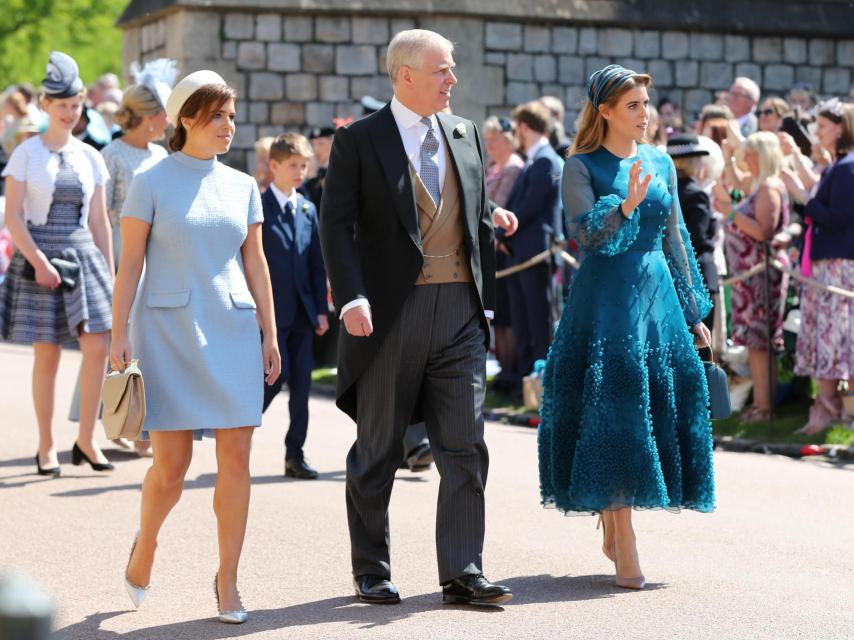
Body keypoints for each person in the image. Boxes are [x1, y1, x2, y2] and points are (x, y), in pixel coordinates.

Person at [320, 28, 511, 606]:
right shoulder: (360, 141)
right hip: (387, 314)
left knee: (464, 445)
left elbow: (473, 212)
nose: (453, 79)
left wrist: (489, 292)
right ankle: (372, 569)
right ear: (405, 75)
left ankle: (462, 569)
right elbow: (336, 224)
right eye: (442, 70)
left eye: (451, 70)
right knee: (378, 448)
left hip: (460, 310)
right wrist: (350, 298)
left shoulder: (466, 132)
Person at [538, 65, 715, 590]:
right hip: (604, 302)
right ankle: (625, 536)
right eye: (633, 105)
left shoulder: (660, 159)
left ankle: (616, 520)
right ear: (606, 111)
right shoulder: (580, 165)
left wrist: (692, 312)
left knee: (650, 412)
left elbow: (676, 239)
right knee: (613, 413)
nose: (645, 114)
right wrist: (627, 204)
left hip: (657, 301)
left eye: (646, 104)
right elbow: (586, 238)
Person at [114, 70, 280, 624]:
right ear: (186, 118)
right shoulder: (151, 180)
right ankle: (146, 544)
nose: (229, 126)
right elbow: (130, 265)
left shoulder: (242, 186)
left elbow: (255, 263)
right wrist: (119, 335)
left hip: (232, 328)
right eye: (218, 116)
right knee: (172, 467)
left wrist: (270, 333)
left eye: (232, 116)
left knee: (236, 459)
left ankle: (228, 580)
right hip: (166, 334)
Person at [0, 51, 115, 476]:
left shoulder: (91, 156)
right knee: (46, 354)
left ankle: (86, 439)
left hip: (84, 255)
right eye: (62, 105)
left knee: (98, 346)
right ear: (45, 106)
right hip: (38, 256)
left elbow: (100, 220)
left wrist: (111, 272)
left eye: (76, 105)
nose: (70, 113)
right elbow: (13, 215)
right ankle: (46, 444)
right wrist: (39, 262)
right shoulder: (26, 154)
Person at [260, 132, 328, 478]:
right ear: (274, 166)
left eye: (304, 165)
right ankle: (239, 428)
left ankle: (295, 454)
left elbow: (316, 263)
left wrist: (320, 309)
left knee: (301, 386)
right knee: (272, 379)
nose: (300, 172)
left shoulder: (307, 208)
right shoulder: (258, 206)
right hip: (271, 314)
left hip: (301, 313)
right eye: (293, 165)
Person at [794, 102, 854, 434]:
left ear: (840, 127)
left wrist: (803, 196)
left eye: (824, 126)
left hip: (838, 265)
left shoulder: (847, 167)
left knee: (835, 336)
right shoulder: (837, 166)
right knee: (825, 335)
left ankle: (832, 408)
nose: (818, 132)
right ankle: (826, 405)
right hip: (826, 263)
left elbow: (838, 218)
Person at [723, 132, 790, 423]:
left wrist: (731, 213)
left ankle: (764, 408)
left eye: (749, 153)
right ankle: (763, 405)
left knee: (760, 341)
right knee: (756, 342)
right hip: (749, 276)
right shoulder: (761, 184)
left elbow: (764, 231)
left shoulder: (769, 187)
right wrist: (728, 159)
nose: (745, 158)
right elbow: (736, 180)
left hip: (760, 276)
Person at [502, 100, 563, 393]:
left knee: (538, 320)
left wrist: (505, 232)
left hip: (536, 252)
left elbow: (530, 207)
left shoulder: (547, 160)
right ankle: (525, 377)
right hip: (520, 252)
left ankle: (539, 381)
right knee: (522, 320)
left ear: (524, 127)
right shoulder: (533, 161)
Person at [101, 59, 175, 263]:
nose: (168, 121)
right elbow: (100, 213)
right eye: (165, 114)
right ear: (151, 116)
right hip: (122, 248)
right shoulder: (111, 154)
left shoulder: (160, 154)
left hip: (159, 246)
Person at [483, 116, 523, 394]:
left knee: (507, 314)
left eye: (493, 140)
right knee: (497, 316)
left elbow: (502, 202)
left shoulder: (513, 168)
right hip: (490, 248)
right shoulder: (492, 168)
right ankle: (503, 370)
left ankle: (511, 372)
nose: (489, 146)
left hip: (504, 246)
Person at [668, 134, 719, 330]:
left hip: (671, 272)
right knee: (701, 347)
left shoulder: (664, 191)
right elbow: (698, 238)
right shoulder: (695, 194)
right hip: (698, 273)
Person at [301, 126, 334, 212]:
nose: (315, 149)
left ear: (332, 144)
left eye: (321, 143)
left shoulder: (340, 169)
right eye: (313, 144)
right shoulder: (311, 170)